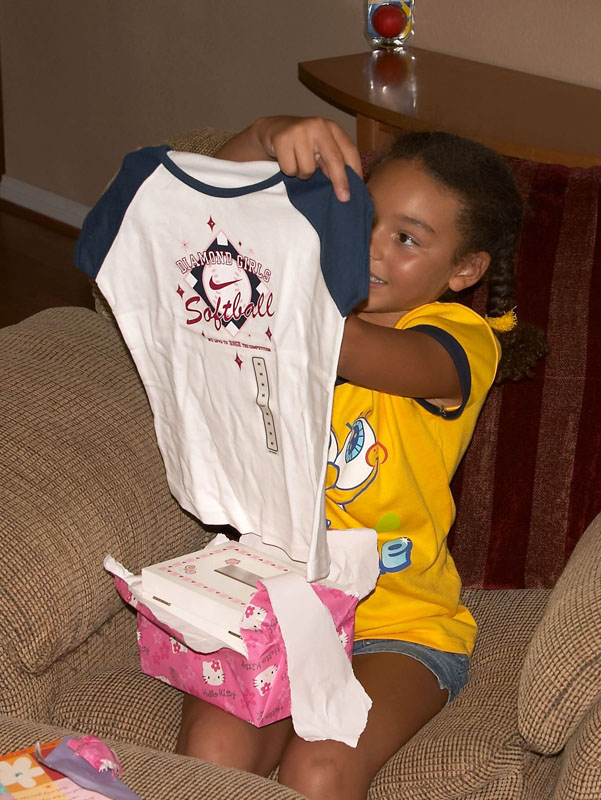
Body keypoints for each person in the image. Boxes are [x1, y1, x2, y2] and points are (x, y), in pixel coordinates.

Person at [175, 116, 547, 800]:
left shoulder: (458, 343)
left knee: (319, 770)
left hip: (399, 627)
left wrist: (266, 277)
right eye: (366, 220)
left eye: (406, 238)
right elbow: (199, 216)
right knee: (212, 752)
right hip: (273, 601)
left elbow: (347, 347)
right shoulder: (302, 299)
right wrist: (263, 139)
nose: (372, 248)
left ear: (464, 270)